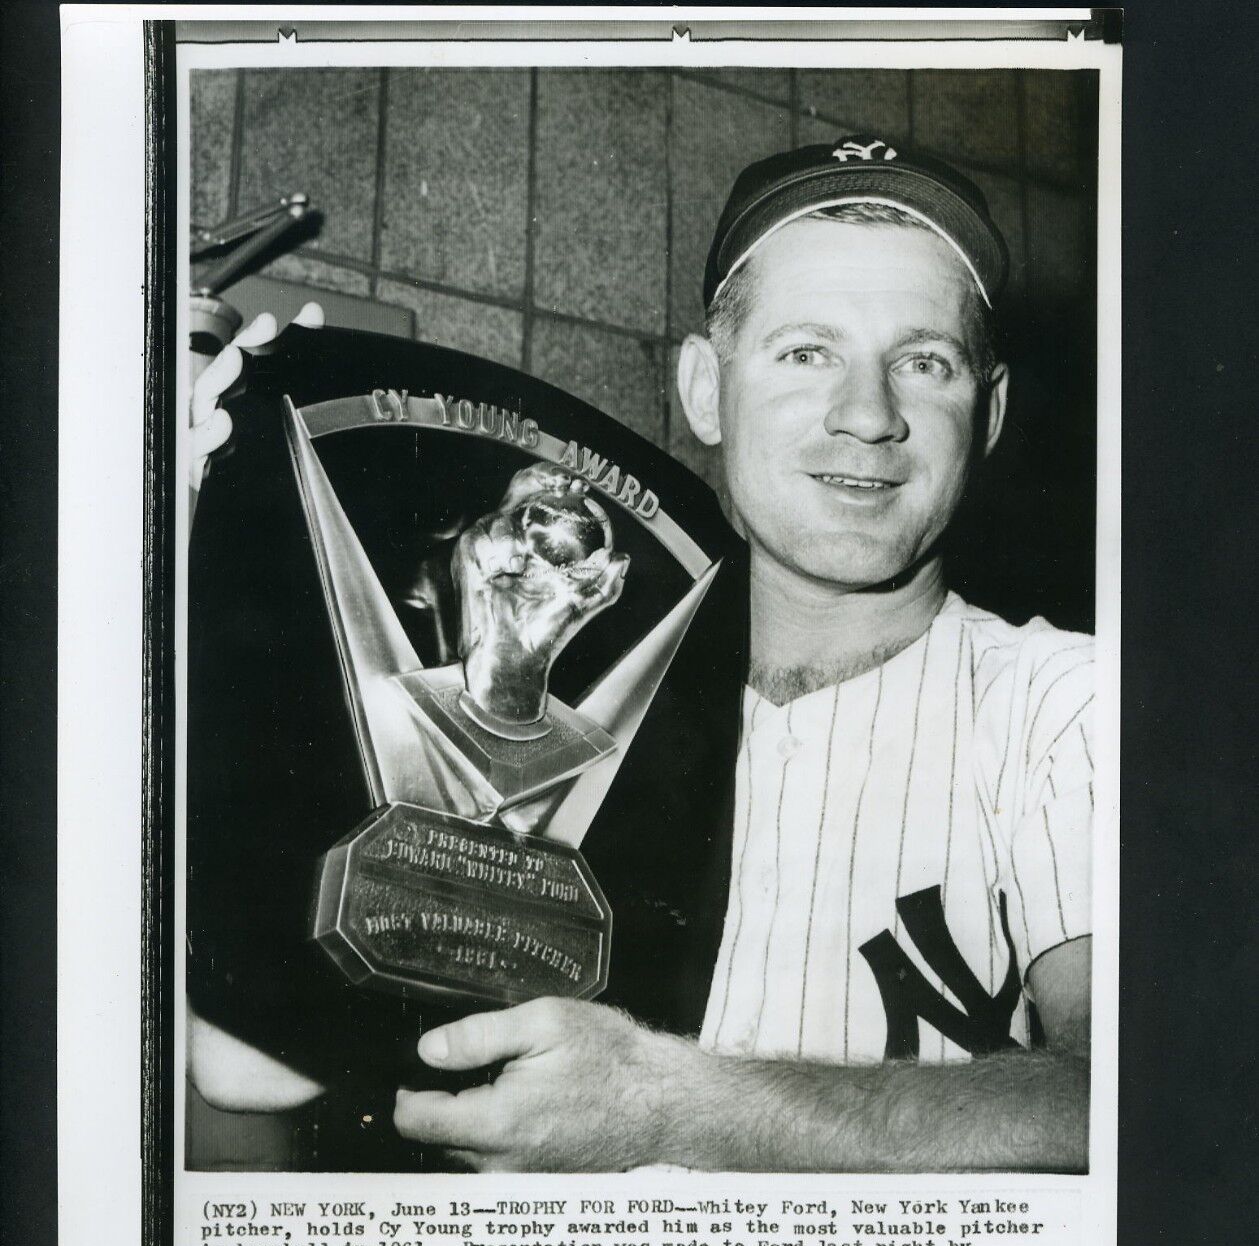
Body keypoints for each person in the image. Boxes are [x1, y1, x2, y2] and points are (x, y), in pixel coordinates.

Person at [191, 137, 1093, 1173]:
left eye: (923, 361)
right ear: (705, 389)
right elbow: (252, 1071)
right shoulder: (555, 700)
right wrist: (192, 558)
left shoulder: (1062, 706)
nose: (867, 415)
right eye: (805, 351)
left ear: (989, 415)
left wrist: (673, 1108)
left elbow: (1133, 1101)